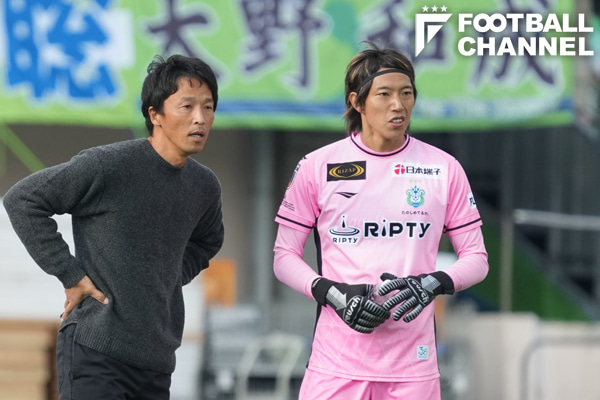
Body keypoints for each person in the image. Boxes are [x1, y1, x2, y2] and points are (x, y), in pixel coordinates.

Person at [272, 42, 488, 399]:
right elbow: (284, 257)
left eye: (407, 93)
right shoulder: (317, 166)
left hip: (413, 368)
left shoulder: (444, 168)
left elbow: (477, 259)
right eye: (384, 94)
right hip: (336, 365)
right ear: (357, 102)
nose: (398, 105)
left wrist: (434, 283)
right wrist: (333, 294)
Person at [3, 54, 224, 400]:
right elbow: (23, 200)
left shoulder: (204, 186)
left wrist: (169, 274)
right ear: (155, 114)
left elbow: (209, 241)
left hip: (156, 361)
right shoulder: (109, 165)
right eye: (187, 106)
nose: (200, 118)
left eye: (208, 107)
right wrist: (71, 275)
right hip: (96, 351)